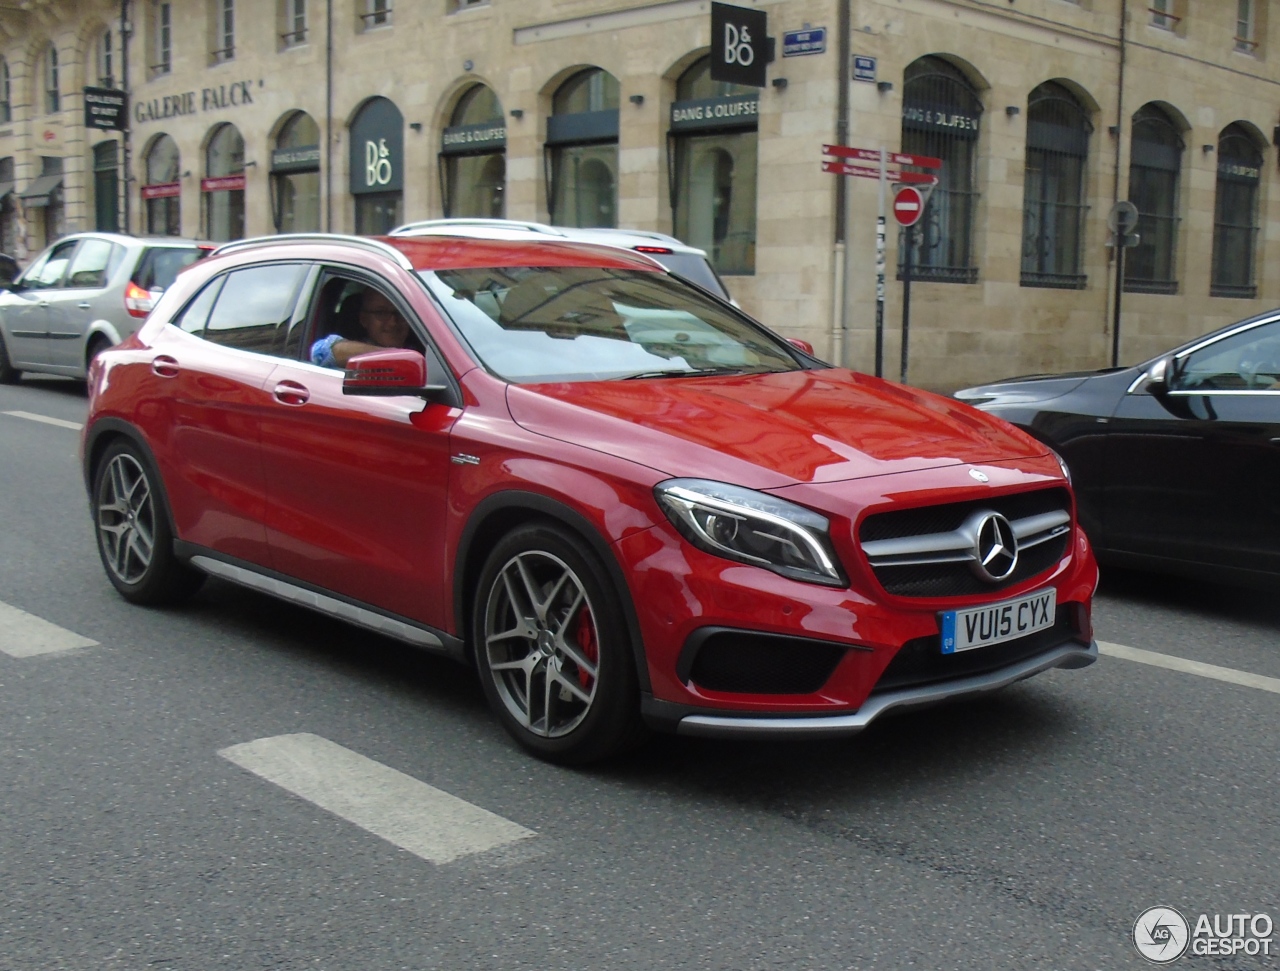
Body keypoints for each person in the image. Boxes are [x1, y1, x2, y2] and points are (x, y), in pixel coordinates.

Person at [310, 288, 412, 368]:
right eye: (381, 313)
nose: (393, 323)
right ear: (364, 319)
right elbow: (322, 351)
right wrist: (399, 357)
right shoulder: (350, 354)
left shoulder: (425, 340)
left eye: (401, 313)